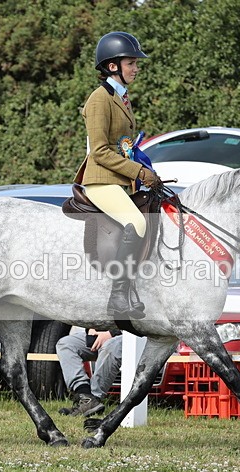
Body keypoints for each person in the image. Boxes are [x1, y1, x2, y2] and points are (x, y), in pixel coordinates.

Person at [74, 31, 162, 319]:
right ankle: (117, 297)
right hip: (100, 180)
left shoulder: (120, 97)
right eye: (131, 63)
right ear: (113, 66)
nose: (136, 68)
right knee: (136, 221)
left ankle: (134, 288)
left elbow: (123, 146)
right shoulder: (99, 99)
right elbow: (99, 151)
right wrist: (138, 171)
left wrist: (143, 172)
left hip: (120, 180)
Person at [56, 328, 123, 417]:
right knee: (65, 344)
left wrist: (112, 333)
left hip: (130, 335)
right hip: (102, 333)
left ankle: (94, 399)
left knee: (110, 346)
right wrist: (91, 328)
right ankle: (85, 395)